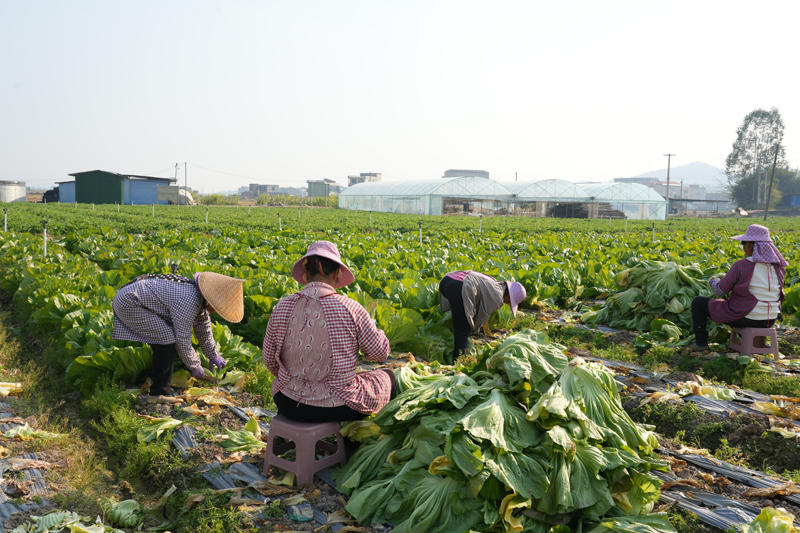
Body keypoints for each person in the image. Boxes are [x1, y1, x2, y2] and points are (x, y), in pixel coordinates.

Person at [262, 241, 396, 423]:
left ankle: (284, 438)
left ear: (307, 273)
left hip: (286, 401)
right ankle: (353, 444)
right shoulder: (350, 308)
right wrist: (374, 327)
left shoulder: (282, 306)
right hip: (337, 405)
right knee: (388, 377)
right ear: (336, 273)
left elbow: (270, 360)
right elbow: (379, 354)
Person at [112, 271, 244, 396]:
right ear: (212, 300)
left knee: (164, 341)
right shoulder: (190, 300)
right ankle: (158, 393)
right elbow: (183, 338)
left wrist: (213, 355)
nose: (217, 311)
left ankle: (154, 380)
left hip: (135, 300)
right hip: (129, 302)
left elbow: (203, 329)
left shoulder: (199, 298)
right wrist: (194, 366)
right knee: (167, 340)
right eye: (219, 307)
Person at [690, 224, 787, 350]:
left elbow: (720, 291)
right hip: (770, 319)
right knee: (733, 304)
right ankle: (755, 345)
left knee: (698, 302)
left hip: (746, 316)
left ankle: (701, 344)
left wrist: (714, 281)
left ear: (750, 245)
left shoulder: (742, 265)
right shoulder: (779, 268)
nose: (743, 246)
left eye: (743, 243)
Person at [439, 270, 527, 363]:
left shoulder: (496, 284)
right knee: (462, 329)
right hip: (458, 287)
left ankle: (456, 353)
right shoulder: (498, 297)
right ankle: (458, 362)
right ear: (509, 297)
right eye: (509, 302)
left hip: (446, 281)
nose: (506, 303)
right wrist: (474, 328)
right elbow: (481, 315)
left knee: (461, 322)